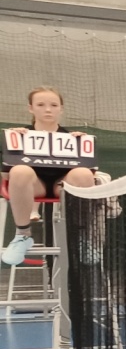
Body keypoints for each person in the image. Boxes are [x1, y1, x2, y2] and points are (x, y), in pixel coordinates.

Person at [3, 87, 96, 267]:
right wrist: (13, 148)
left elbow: (89, 175)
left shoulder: (74, 138)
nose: (48, 109)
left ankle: (83, 237)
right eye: (41, 105)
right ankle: (22, 235)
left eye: (54, 105)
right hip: (34, 186)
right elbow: (6, 177)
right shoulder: (18, 136)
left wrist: (81, 145)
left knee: (84, 174)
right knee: (19, 171)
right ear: (31, 108)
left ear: (61, 109)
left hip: (62, 186)